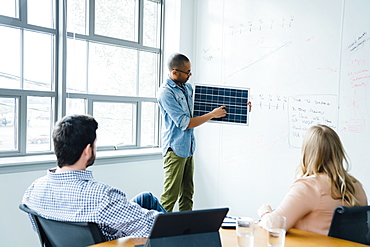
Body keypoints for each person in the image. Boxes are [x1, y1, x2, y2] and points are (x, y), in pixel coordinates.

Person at [22, 114, 166, 241]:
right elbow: (153, 226)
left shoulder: (34, 189)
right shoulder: (102, 196)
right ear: (87, 150)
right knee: (174, 228)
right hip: (113, 244)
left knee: (146, 199)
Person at [257, 124, 367, 235]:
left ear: (307, 153)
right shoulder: (356, 186)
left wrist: (265, 212)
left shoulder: (309, 186)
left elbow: (275, 225)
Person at [157, 53, 227, 212]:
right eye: (187, 73)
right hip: (175, 149)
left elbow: (206, 106)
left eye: (190, 71)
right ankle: (155, 234)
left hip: (188, 147)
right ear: (174, 72)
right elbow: (185, 123)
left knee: (188, 193)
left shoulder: (187, 87)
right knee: (170, 197)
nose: (190, 75)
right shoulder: (165, 93)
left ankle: (186, 232)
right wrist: (212, 115)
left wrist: (241, 106)